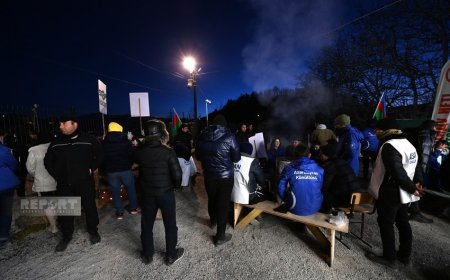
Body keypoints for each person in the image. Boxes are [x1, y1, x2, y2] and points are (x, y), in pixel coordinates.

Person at [367, 119, 425, 268]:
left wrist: (413, 188)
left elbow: (397, 172)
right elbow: (416, 165)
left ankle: (389, 257)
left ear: (386, 130)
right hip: (404, 192)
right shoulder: (408, 143)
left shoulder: (389, 146)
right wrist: (417, 182)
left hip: (391, 192)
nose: (375, 132)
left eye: (378, 129)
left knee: (386, 222)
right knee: (402, 222)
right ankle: (404, 256)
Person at [44, 114, 104, 252]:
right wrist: (58, 175)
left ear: (74, 124)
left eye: (64, 123)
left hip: (85, 182)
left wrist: (90, 169)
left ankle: (93, 231)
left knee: (90, 207)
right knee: (66, 211)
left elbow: (100, 155)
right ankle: (66, 236)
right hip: (65, 184)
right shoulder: (56, 142)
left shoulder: (89, 140)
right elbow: (48, 161)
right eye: (60, 124)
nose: (60, 126)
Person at [133, 119, 184, 265]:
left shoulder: (139, 152)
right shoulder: (168, 152)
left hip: (147, 193)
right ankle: (170, 255)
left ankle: (148, 255)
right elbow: (177, 174)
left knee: (146, 224)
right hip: (166, 193)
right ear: (161, 133)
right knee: (170, 224)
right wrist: (177, 185)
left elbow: (136, 162)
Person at [196, 114, 241, 246]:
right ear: (224, 124)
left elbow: (198, 156)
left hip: (209, 176)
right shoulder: (229, 136)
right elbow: (236, 158)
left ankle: (213, 221)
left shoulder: (202, 136)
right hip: (225, 176)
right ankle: (220, 235)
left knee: (212, 199)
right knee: (223, 203)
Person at [102, 122, 140, 220]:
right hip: (125, 169)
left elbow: (102, 157)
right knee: (131, 189)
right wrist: (132, 164)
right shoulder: (126, 141)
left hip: (111, 171)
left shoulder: (104, 142)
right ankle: (134, 208)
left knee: (115, 192)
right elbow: (131, 154)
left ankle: (120, 213)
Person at [277, 144, 324, 216]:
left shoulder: (289, 168)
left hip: (294, 206)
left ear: (295, 155)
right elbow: (320, 188)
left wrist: (286, 199)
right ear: (309, 155)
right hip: (316, 207)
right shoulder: (320, 169)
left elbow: (280, 186)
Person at [25, 131, 58, 233]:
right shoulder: (56, 147)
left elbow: (30, 168)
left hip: (43, 183)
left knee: (48, 205)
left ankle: (54, 227)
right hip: (58, 180)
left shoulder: (34, 151)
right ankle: (62, 223)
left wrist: (37, 175)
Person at [319, 140, 361, 214]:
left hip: (344, 200)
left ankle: (326, 213)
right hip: (355, 198)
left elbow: (325, 185)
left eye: (322, 153)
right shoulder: (342, 162)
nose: (320, 155)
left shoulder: (331, 166)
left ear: (327, 155)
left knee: (320, 193)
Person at [408, 120, 437, 223]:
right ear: (432, 127)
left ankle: (413, 211)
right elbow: (424, 152)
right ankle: (415, 213)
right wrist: (423, 170)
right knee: (417, 185)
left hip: (414, 162)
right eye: (435, 127)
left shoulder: (418, 132)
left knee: (413, 186)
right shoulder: (426, 134)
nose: (436, 129)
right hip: (419, 165)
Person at [0, 141, 20, 248]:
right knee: (5, 210)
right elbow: (13, 164)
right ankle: (3, 236)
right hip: (5, 184)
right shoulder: (2, 150)